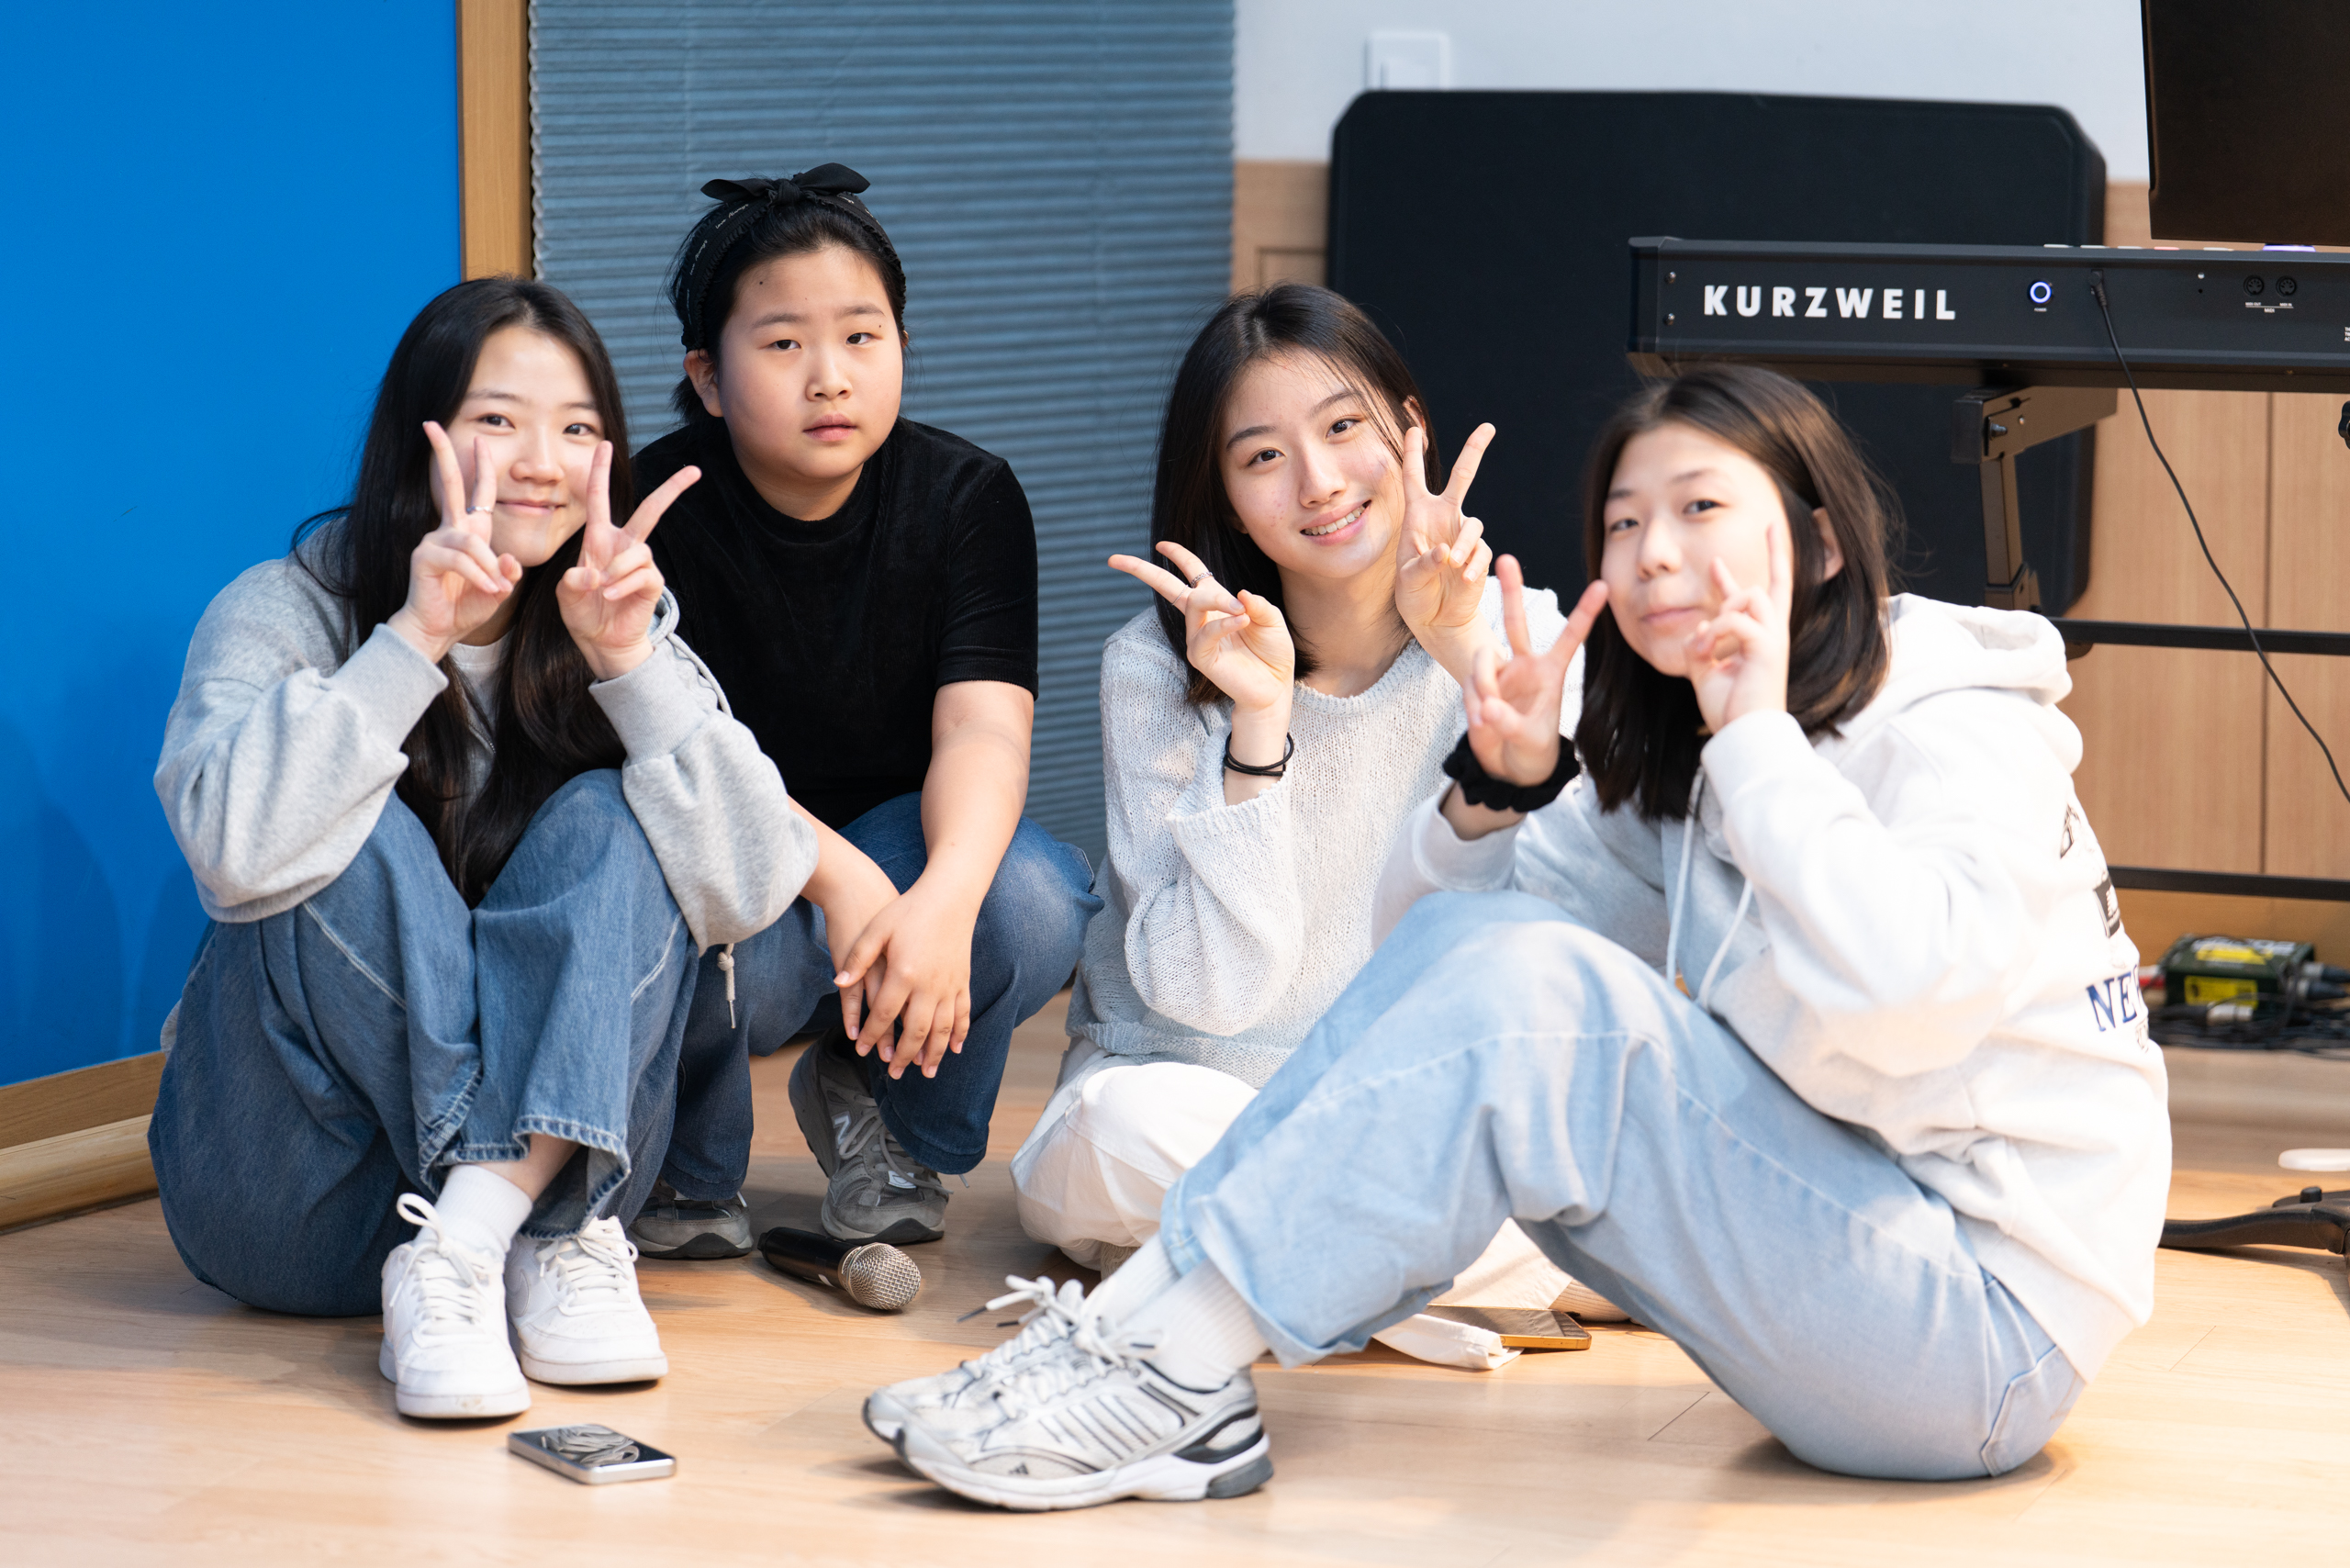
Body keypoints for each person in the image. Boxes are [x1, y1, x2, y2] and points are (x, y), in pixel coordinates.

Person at [864, 364, 2170, 1509]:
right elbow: (1431, 976)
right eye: (1625, 523)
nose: (1654, 554)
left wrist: (1758, 738)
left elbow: (1910, 1003)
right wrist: (1496, 788)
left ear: (1819, 546)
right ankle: (1149, 1343)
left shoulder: (1945, 723)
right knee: (1501, 962)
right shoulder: (1694, 747)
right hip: (1849, 1258)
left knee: (1543, 992)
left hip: (1981, 1338)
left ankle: (1169, 1364)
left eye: (1701, 510)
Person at [148, 277, 815, 1420]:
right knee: (333, 821)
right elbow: (229, 849)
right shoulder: (286, 609)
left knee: (617, 815)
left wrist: (632, 669)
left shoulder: (615, 620)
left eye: (580, 428)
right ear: (418, 436)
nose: (544, 464)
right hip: (298, 1200)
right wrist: (411, 640)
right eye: (499, 419)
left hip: (547, 1238)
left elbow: (754, 886)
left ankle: (468, 1238)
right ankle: (484, 1226)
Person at [1005, 283, 1617, 1372]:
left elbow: (1588, 929)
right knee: (1117, 1132)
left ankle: (1264, 1274)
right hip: (1187, 1102)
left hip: (1413, 1123)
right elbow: (1206, 994)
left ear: (1410, 431)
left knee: (1580, 1158)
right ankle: (1425, 1280)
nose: (1320, 480)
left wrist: (1467, 654)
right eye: (1262, 456)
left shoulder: (1522, 639)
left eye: (1343, 428)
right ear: (1224, 497)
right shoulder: (1158, 666)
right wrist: (1259, 724)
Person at [623, 165, 1097, 1260]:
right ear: (707, 376)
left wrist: (943, 901)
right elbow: (680, 759)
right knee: (693, 927)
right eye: (783, 343)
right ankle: (687, 1165)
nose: (829, 376)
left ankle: (885, 1118)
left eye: (861, 337)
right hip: (728, 860)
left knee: (1030, 900)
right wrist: (840, 878)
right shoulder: (651, 513)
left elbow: (982, 729)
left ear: (901, 347)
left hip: (895, 841)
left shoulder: (967, 497)